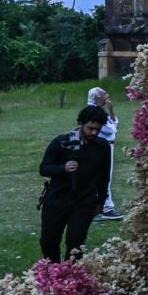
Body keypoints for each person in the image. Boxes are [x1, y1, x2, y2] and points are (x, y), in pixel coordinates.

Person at [39, 105, 112, 262]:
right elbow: (44, 168)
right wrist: (62, 168)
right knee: (49, 240)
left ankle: (71, 278)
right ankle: (53, 273)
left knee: (76, 243)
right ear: (80, 123)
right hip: (56, 199)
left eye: (98, 129)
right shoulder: (62, 142)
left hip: (84, 201)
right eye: (90, 128)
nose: (94, 132)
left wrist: (101, 201)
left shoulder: (102, 147)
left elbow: (104, 177)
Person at [86, 87, 123, 221]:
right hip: (103, 147)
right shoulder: (94, 112)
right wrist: (111, 121)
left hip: (106, 146)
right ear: (97, 98)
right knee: (104, 177)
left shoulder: (99, 111)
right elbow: (111, 129)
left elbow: (114, 123)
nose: (107, 98)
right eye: (104, 96)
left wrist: (111, 110)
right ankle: (106, 208)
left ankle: (97, 207)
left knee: (100, 177)